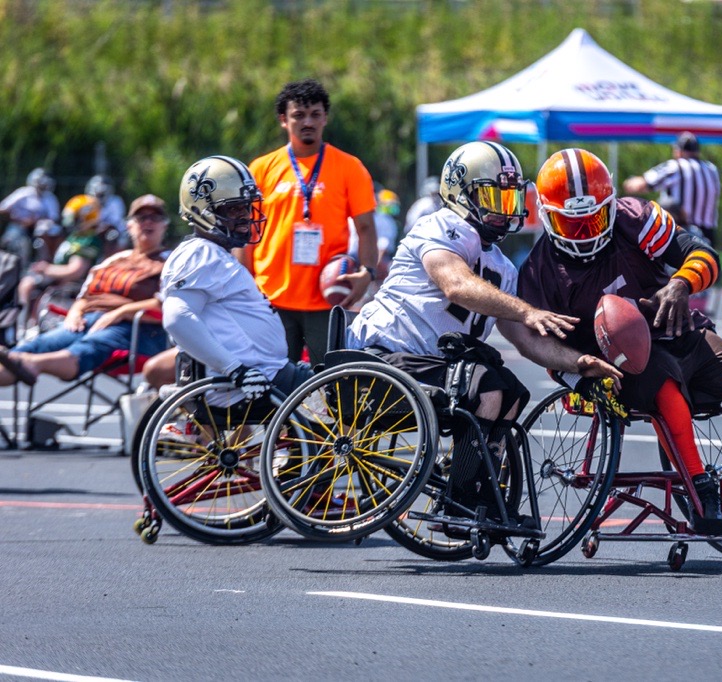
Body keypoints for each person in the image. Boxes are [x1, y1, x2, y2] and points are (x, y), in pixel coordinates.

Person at [348, 141, 621, 524]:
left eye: (509, 198)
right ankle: (460, 500)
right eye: (492, 196)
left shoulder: (503, 266)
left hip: (427, 366)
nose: (501, 209)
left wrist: (579, 363)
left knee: (511, 391)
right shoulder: (441, 226)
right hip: (384, 353)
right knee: (487, 385)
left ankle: (479, 492)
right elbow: (456, 285)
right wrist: (527, 309)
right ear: (460, 192)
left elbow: (525, 339)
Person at [518, 148, 722, 520]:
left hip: (676, 330)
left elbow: (704, 254)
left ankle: (686, 436)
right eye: (571, 224)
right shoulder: (540, 269)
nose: (582, 233)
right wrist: (577, 371)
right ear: (547, 217)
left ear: (610, 205)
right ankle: (700, 487)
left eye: (593, 220)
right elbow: (537, 341)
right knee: (661, 381)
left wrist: (682, 284)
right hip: (619, 362)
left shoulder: (634, 217)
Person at [161, 155, 314, 405]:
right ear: (203, 210)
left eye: (246, 206)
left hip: (267, 374)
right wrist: (235, 369)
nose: (244, 216)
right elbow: (177, 317)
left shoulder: (214, 253)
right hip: (252, 382)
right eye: (233, 208)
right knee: (341, 403)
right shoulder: (201, 253)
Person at [247, 78, 378, 366]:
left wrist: (367, 273)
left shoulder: (349, 167)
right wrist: (245, 285)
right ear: (283, 119)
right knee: (273, 384)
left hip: (327, 299)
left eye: (315, 114)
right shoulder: (261, 168)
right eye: (298, 115)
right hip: (271, 298)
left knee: (332, 383)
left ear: (325, 118)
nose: (308, 122)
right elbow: (247, 232)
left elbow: (366, 228)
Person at [0, 194, 171, 387]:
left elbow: (169, 303)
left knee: (89, 346)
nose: (147, 222)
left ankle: (33, 363)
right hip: (87, 320)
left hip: (136, 328)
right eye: (141, 218)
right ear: (129, 225)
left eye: (155, 218)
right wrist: (74, 312)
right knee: (35, 346)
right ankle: (19, 359)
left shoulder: (171, 262)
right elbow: (85, 295)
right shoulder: (115, 259)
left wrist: (121, 312)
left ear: (164, 225)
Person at [18, 194, 106, 331]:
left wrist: (47, 269)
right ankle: (23, 324)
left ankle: (25, 327)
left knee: (27, 285)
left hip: (69, 286)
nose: (70, 221)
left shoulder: (88, 240)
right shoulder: (76, 236)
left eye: (75, 217)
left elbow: (75, 271)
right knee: (25, 281)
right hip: (58, 281)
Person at [622, 132, 721, 246]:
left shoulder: (675, 166)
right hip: (707, 234)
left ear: (678, 151)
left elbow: (639, 185)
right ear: (697, 151)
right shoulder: (712, 170)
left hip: (678, 233)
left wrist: (628, 182)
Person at [0, 168, 60, 269]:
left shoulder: (50, 198)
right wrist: (20, 220)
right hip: (18, 226)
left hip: (38, 230)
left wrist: (36, 221)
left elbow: (54, 218)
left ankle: (44, 265)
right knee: (15, 239)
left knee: (47, 234)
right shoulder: (23, 193)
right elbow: (3, 209)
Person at [85, 174, 128, 251]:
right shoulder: (86, 202)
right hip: (91, 232)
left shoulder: (115, 201)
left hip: (112, 232)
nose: (100, 192)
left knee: (112, 235)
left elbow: (114, 223)